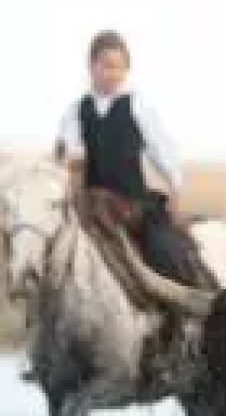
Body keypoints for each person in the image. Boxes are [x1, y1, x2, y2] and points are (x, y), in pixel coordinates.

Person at [55, 30, 200, 285]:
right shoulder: (76, 110)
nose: (114, 74)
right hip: (89, 207)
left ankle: (182, 314)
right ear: (91, 66)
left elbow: (161, 149)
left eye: (121, 68)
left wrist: (175, 187)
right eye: (107, 66)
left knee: (165, 254)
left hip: (132, 205)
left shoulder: (137, 105)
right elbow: (69, 155)